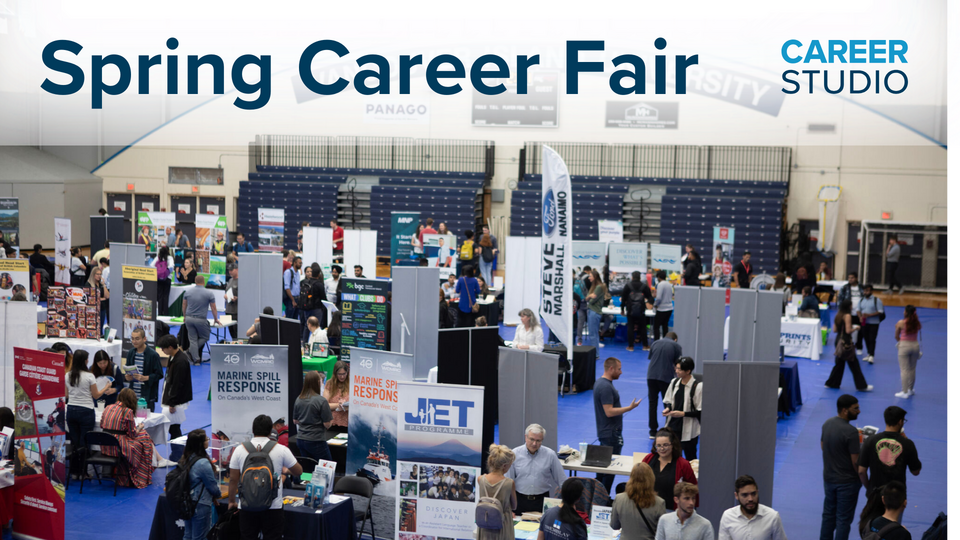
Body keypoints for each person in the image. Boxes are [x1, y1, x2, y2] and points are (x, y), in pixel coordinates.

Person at [228, 414, 302, 540]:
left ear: (252, 430)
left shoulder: (239, 450)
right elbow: (298, 471)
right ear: (270, 431)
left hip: (247, 506)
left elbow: (233, 479)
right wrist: (284, 471)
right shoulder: (281, 449)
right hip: (273, 506)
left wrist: (231, 501)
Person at [66, 350, 117, 478]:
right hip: (86, 411)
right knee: (84, 443)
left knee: (74, 442)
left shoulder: (68, 375)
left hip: (71, 410)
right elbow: (96, 395)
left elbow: (66, 395)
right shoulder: (89, 376)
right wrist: (106, 387)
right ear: (84, 361)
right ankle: (82, 472)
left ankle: (73, 472)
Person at [594, 357, 641, 493]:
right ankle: (603, 498)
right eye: (619, 369)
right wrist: (629, 408)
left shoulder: (601, 384)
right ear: (611, 369)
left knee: (603, 469)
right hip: (611, 434)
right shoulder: (605, 387)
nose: (621, 372)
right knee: (610, 469)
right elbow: (609, 412)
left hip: (606, 432)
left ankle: (599, 498)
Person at [819, 394, 863, 540]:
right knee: (843, 520)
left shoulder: (827, 423)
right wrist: (864, 480)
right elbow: (855, 462)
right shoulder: (851, 432)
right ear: (845, 410)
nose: (859, 411)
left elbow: (823, 446)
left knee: (828, 516)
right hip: (847, 483)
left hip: (829, 479)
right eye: (855, 408)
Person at [99, 388, 156, 488]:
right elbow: (132, 434)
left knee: (143, 437)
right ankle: (141, 474)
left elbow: (101, 425)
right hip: (118, 448)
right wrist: (139, 427)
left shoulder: (107, 407)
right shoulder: (127, 411)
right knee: (145, 440)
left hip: (105, 447)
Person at [858, 406, 921, 495]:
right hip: (897, 494)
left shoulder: (870, 441)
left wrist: (869, 488)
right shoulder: (907, 444)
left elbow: (861, 471)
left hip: (875, 492)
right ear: (900, 422)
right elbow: (915, 471)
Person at [505, 424, 566, 515]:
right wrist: (507, 507)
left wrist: (568, 502)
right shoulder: (514, 454)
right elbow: (507, 483)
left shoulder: (550, 455)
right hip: (519, 501)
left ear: (542, 440)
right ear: (526, 437)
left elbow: (562, 480)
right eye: (532, 439)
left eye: (538, 440)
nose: (534, 444)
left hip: (542, 501)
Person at [180, 429, 222, 540]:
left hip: (186, 501)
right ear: (201, 443)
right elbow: (212, 486)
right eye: (206, 439)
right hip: (200, 504)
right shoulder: (203, 463)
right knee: (200, 537)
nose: (208, 440)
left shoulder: (185, 458)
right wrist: (218, 494)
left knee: (188, 535)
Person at [642, 429, 698, 510]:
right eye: (658, 445)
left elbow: (692, 489)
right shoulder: (649, 459)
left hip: (672, 510)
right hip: (648, 507)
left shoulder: (683, 464)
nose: (662, 449)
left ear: (673, 445)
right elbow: (638, 480)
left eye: (665, 445)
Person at [718, 475, 787, 540]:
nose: (750, 499)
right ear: (736, 496)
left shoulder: (772, 517)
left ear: (758, 492)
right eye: (745, 495)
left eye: (753, 494)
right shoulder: (728, 516)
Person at [611, 462, 666, 540]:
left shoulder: (619, 498)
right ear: (651, 478)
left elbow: (614, 525)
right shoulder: (659, 503)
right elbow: (662, 532)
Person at [825, 300, 872, 392]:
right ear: (848, 306)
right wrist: (856, 328)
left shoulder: (838, 315)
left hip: (838, 341)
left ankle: (831, 383)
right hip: (846, 341)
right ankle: (861, 385)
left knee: (839, 363)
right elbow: (848, 331)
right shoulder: (847, 316)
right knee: (854, 363)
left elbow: (834, 330)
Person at [663, 357, 702, 460]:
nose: (676, 371)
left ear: (688, 371)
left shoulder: (697, 387)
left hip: (689, 429)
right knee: (673, 457)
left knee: (690, 458)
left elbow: (700, 411)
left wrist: (683, 414)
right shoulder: (674, 382)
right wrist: (668, 408)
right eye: (676, 368)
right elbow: (669, 401)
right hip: (673, 426)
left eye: (679, 369)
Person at [477, 444, 517, 540]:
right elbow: (514, 506)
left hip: (485, 525)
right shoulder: (509, 483)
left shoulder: (480, 479)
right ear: (504, 466)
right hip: (503, 526)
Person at [647, 333, 682, 438]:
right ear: (675, 339)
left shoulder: (655, 342)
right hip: (666, 377)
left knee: (652, 404)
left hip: (651, 376)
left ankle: (652, 431)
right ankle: (668, 429)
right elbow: (678, 364)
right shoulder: (676, 346)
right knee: (668, 404)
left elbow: (651, 357)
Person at [293, 371, 334, 461]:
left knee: (308, 468)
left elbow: (295, 421)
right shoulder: (321, 401)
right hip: (316, 440)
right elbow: (327, 424)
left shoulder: (299, 399)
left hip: (301, 439)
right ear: (318, 383)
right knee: (327, 468)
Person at [159, 334, 192, 439]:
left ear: (170, 347)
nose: (162, 350)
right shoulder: (173, 357)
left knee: (174, 429)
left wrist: (172, 402)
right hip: (171, 396)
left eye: (163, 348)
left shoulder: (180, 361)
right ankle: (178, 451)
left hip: (175, 400)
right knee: (173, 428)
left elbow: (178, 383)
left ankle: (178, 451)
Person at [182, 275, 220, 365]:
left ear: (195, 281)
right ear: (204, 282)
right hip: (201, 319)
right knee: (205, 337)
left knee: (193, 339)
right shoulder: (209, 293)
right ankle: (189, 351)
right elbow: (213, 308)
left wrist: (184, 316)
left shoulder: (187, 292)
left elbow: (184, 305)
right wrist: (215, 319)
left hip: (189, 318)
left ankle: (196, 360)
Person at [124, 327, 163, 411]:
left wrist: (146, 378)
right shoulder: (131, 353)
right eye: (132, 339)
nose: (134, 341)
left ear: (144, 339)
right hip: (133, 395)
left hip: (147, 396)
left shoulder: (153, 355)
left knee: (146, 421)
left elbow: (159, 374)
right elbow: (128, 369)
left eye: (137, 339)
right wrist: (127, 377)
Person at [622, 271, 654, 351]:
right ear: (640, 277)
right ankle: (645, 346)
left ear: (632, 277)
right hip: (641, 310)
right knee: (643, 327)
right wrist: (648, 303)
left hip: (630, 310)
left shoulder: (628, 286)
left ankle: (630, 346)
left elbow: (623, 299)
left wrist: (622, 309)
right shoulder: (644, 286)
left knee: (630, 327)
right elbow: (650, 298)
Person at [894, 305, 921, 398]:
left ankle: (904, 392)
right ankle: (910, 389)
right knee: (912, 369)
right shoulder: (917, 323)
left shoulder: (901, 322)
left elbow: (896, 336)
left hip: (904, 346)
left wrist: (901, 342)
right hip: (915, 346)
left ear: (906, 312)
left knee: (904, 370)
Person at [857, 285, 884, 364]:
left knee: (872, 339)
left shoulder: (877, 300)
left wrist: (869, 315)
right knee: (866, 338)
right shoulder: (861, 300)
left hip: (874, 323)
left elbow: (880, 311)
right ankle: (869, 353)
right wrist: (860, 317)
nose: (866, 292)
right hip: (864, 322)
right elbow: (858, 310)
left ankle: (872, 355)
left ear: (871, 291)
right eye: (865, 291)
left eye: (868, 291)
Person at [323, 361, 350, 431]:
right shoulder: (330, 384)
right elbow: (324, 405)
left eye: (344, 374)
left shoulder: (352, 383)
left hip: (348, 423)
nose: (342, 376)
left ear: (347, 373)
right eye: (339, 374)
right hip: (333, 423)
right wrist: (339, 405)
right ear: (335, 374)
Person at [585, 269, 607, 349]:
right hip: (593, 312)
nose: (589, 278)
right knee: (594, 334)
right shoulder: (594, 287)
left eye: (590, 276)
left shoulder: (598, 287)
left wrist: (589, 297)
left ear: (595, 277)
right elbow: (587, 298)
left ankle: (595, 354)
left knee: (593, 335)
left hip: (594, 312)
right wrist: (590, 296)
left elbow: (591, 301)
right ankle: (596, 354)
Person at [652, 271, 673, 340]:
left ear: (658, 277)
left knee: (656, 327)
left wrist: (655, 305)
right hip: (669, 308)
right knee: (665, 326)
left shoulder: (660, 285)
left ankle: (657, 342)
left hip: (662, 309)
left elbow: (658, 298)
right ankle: (665, 341)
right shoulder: (669, 284)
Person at [153, 246, 174, 316]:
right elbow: (171, 267)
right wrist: (166, 273)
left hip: (158, 279)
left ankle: (159, 313)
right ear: (168, 251)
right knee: (166, 296)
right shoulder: (169, 258)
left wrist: (158, 273)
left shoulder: (157, 258)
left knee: (160, 296)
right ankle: (165, 313)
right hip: (167, 279)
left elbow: (151, 266)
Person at [282, 255, 302, 320]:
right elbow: (287, 288)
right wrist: (293, 300)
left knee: (295, 319)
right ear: (295, 263)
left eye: (301, 263)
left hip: (297, 298)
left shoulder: (298, 273)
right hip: (290, 299)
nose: (301, 265)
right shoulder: (288, 272)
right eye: (299, 263)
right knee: (289, 319)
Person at [225, 262, 239, 339]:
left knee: (236, 331)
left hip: (236, 311)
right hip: (229, 310)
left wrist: (237, 298)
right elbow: (227, 291)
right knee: (231, 331)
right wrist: (225, 296)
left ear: (237, 270)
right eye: (229, 270)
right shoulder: (230, 280)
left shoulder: (241, 281)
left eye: (231, 270)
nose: (229, 272)